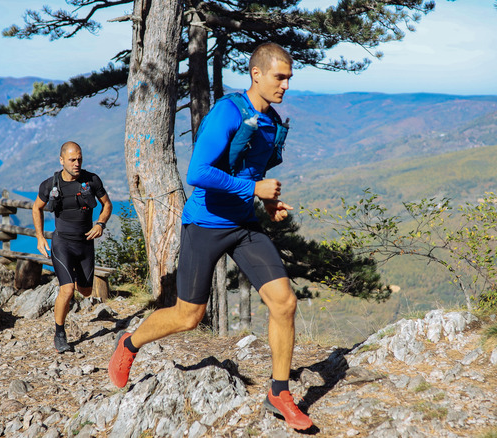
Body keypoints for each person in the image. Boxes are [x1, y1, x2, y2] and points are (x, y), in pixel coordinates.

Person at [108, 43, 313, 431]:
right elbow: (198, 172)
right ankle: (129, 344)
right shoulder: (227, 113)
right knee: (189, 316)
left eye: (289, 78)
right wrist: (254, 192)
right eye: (279, 77)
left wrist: (268, 204)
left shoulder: (271, 123)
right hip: (205, 224)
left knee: (284, 303)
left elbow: (250, 172)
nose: (286, 85)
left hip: (244, 227)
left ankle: (278, 392)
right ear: (257, 74)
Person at [33, 141, 112, 354]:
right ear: (61, 160)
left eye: (79, 159)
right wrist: (40, 237)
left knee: (85, 291)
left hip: (85, 243)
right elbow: (36, 208)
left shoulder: (92, 180)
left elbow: (107, 205)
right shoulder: (50, 185)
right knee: (66, 290)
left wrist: (100, 224)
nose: (77, 163)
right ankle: (59, 333)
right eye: (72, 160)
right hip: (62, 243)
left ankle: (73, 278)